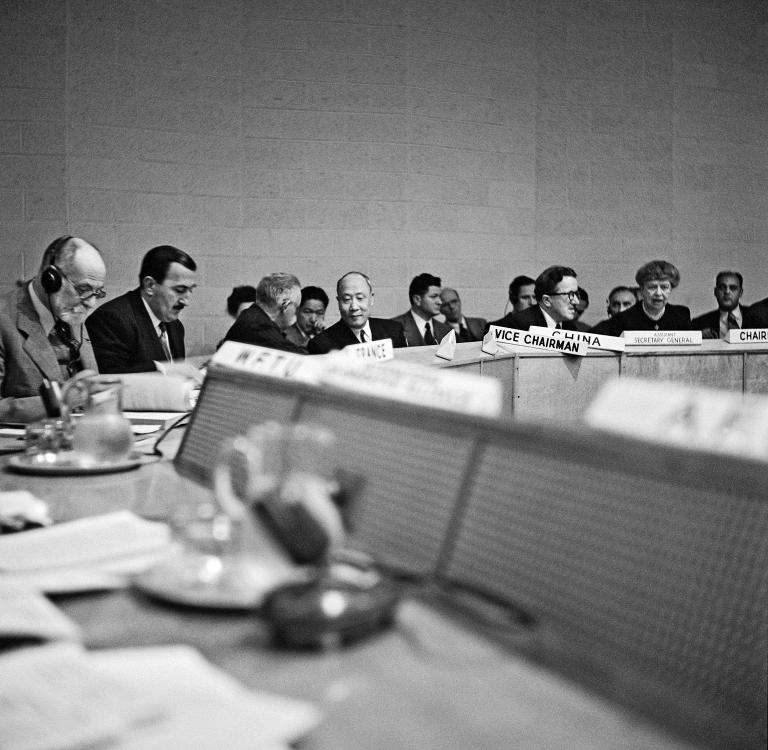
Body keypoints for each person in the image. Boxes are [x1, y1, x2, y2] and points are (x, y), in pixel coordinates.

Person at [0, 235, 105, 422]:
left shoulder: (70, 310)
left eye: (97, 292)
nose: (91, 303)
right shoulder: (4, 319)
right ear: (51, 278)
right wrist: (59, 400)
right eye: (83, 289)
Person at [86, 245, 197, 373]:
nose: (186, 301)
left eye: (190, 290)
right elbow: (111, 379)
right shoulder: (111, 320)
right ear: (150, 285)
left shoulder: (175, 326)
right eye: (179, 290)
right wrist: (163, 369)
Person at [308, 272, 406, 354]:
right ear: (338, 302)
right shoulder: (321, 344)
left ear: (371, 299)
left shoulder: (394, 330)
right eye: (346, 299)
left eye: (360, 298)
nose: (354, 307)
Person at [591, 260, 691, 336]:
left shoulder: (681, 315)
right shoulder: (623, 319)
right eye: (652, 287)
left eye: (664, 287)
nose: (658, 293)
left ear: (671, 289)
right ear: (642, 290)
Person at [222, 272, 306, 354]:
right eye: (296, 306)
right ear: (285, 305)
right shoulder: (258, 326)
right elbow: (299, 358)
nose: (296, 312)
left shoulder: (253, 316)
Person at [487, 266, 581, 332]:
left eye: (576, 294)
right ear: (547, 301)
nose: (576, 301)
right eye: (569, 294)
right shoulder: (516, 325)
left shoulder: (569, 327)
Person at [691, 271, 761, 338]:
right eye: (722, 287)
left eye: (733, 288)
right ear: (715, 292)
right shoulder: (699, 324)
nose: (727, 292)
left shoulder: (759, 319)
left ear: (740, 292)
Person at [390, 273, 451, 346]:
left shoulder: (446, 330)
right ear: (417, 300)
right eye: (434, 296)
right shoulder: (392, 327)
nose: (440, 302)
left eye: (440, 297)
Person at [284, 286, 329, 351]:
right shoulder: (285, 337)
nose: (313, 319)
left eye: (319, 313)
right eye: (307, 312)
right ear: (296, 310)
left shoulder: (324, 336)